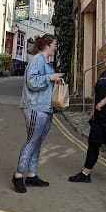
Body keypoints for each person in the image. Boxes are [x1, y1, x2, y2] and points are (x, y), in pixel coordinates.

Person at [68, 47, 106, 192]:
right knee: (93, 143)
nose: (105, 59)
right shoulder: (104, 74)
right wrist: (93, 110)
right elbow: (98, 93)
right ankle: (85, 173)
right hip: (101, 116)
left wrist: (102, 103)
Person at [12, 34, 64, 193]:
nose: (56, 47)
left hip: (45, 107)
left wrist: (54, 79)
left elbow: (43, 81)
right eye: (54, 44)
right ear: (47, 45)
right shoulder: (37, 59)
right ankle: (18, 176)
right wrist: (50, 77)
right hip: (35, 106)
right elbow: (32, 82)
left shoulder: (45, 61)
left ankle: (32, 175)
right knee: (32, 140)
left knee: (37, 142)